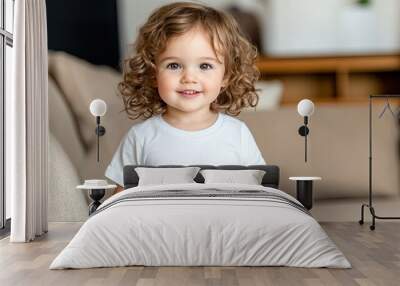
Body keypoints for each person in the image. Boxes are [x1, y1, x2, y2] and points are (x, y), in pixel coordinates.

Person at [105, 2, 266, 194]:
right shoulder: (140, 137)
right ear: (152, 74)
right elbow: (117, 203)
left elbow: (260, 194)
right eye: (174, 65)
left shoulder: (238, 134)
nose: (189, 78)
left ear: (226, 76)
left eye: (205, 66)